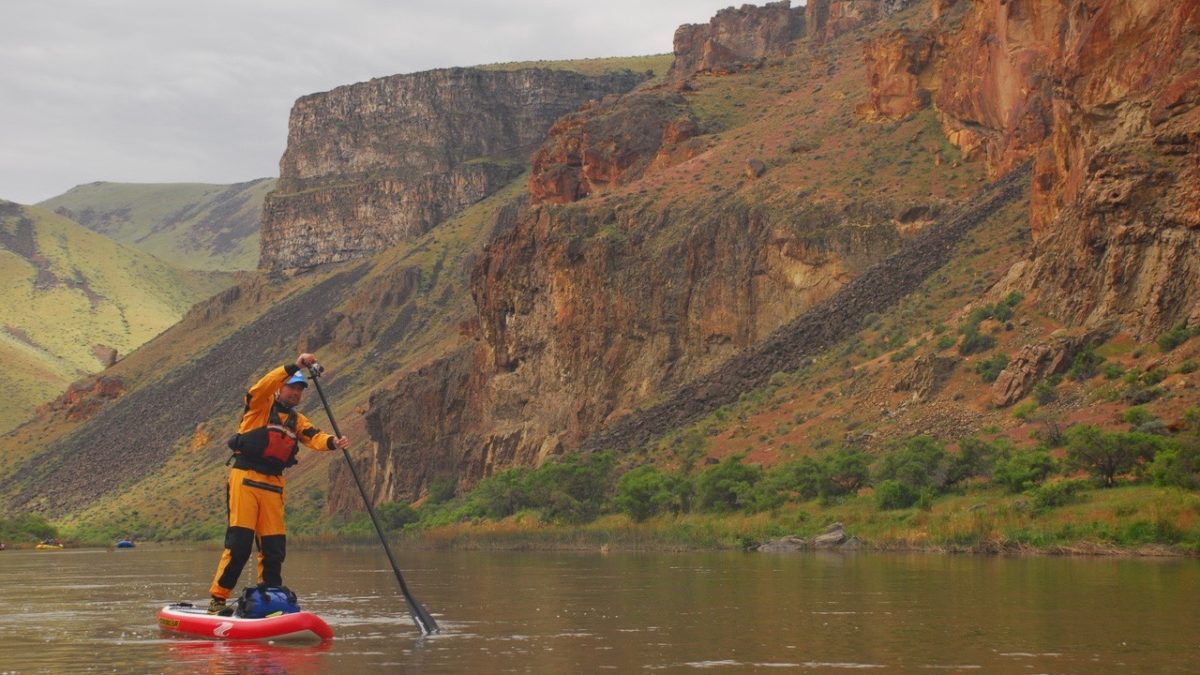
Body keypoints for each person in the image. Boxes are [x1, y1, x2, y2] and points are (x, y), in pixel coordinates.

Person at [207, 352, 349, 614]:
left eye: (299, 389)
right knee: (239, 545)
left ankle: (269, 599)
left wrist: (333, 443)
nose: (295, 393)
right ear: (280, 388)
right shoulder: (260, 406)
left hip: (273, 485)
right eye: (291, 387)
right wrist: (294, 366)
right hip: (246, 479)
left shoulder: (297, 420)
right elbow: (260, 387)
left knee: (273, 549)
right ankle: (218, 599)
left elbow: (314, 437)